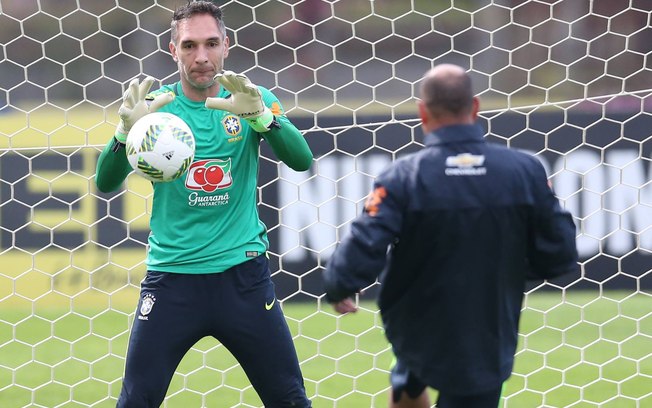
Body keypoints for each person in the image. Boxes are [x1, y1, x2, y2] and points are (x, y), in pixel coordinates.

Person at [95, 2, 313, 407]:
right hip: (172, 280)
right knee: (135, 401)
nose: (201, 57)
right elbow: (105, 184)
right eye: (190, 45)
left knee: (290, 400)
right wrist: (125, 132)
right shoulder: (155, 110)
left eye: (211, 43)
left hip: (243, 279)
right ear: (172, 49)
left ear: (226, 46)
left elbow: (302, 160)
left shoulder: (250, 99)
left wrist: (264, 118)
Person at [323, 64, 578, 408]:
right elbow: (560, 252)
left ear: (422, 112)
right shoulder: (524, 170)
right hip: (488, 321)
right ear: (475, 107)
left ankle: (408, 380)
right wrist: (513, 270)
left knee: (410, 372)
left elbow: (367, 239)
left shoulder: (403, 176)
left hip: (416, 320)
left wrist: (341, 283)